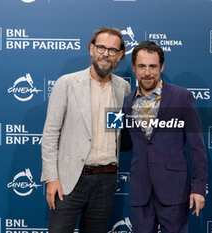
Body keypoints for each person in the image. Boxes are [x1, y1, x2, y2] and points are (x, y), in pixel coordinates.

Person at [41, 27, 131, 233]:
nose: (105, 54)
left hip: (106, 180)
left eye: (112, 50)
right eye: (101, 47)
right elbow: (50, 135)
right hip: (69, 180)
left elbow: (117, 130)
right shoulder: (67, 83)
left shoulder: (122, 88)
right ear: (91, 49)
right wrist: (51, 178)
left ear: (120, 55)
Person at [122, 41, 207, 233]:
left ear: (161, 67)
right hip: (140, 191)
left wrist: (199, 187)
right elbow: (124, 142)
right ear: (134, 67)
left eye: (153, 66)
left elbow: (197, 146)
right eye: (142, 66)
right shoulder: (127, 102)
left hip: (174, 189)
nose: (147, 72)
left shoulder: (182, 97)